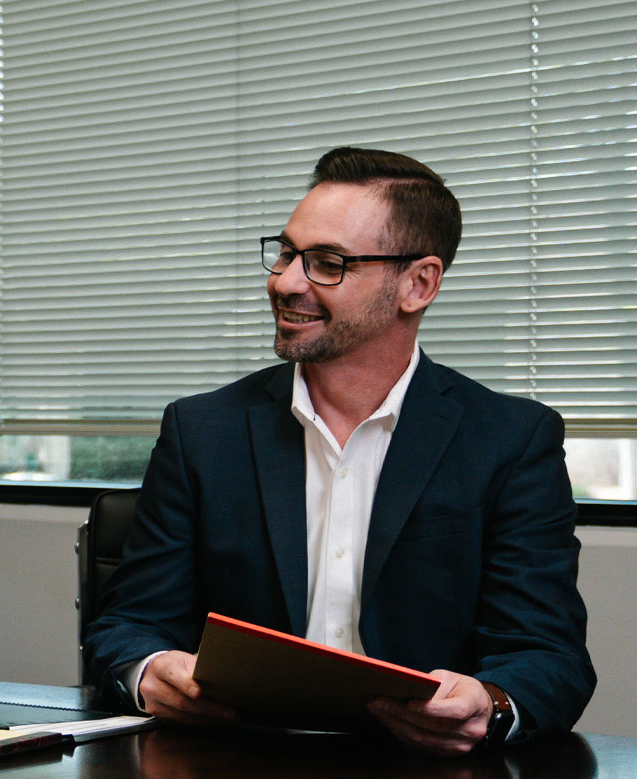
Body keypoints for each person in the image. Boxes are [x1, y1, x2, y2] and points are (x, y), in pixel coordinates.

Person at [84, 147, 595, 753]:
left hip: (421, 767)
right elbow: (129, 625)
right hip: (238, 758)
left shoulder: (511, 439)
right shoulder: (203, 430)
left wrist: (491, 703)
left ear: (417, 284)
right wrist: (147, 672)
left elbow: (548, 658)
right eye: (285, 253)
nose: (286, 282)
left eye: (328, 263)